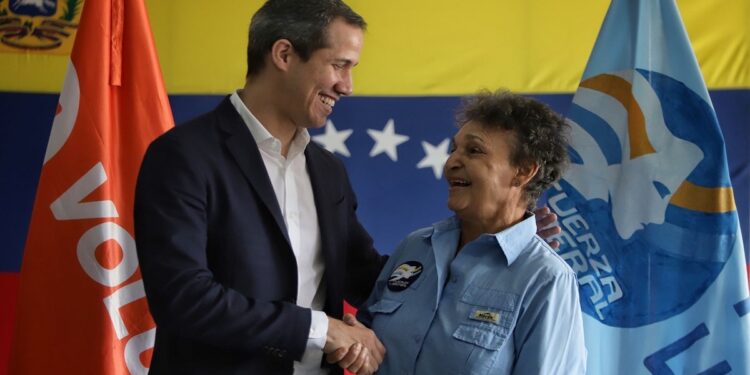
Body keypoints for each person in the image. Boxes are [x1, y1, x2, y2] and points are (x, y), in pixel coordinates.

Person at [135, 1, 562, 374]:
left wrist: (500, 247)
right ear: (284, 53)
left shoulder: (326, 170)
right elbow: (184, 299)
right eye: (339, 64)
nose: (347, 86)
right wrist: (322, 330)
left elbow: (370, 277)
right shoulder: (183, 156)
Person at [350, 90, 587, 374]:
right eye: (454, 149)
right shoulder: (414, 246)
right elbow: (364, 342)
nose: (451, 162)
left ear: (523, 172)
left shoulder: (546, 278)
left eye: (474, 151)